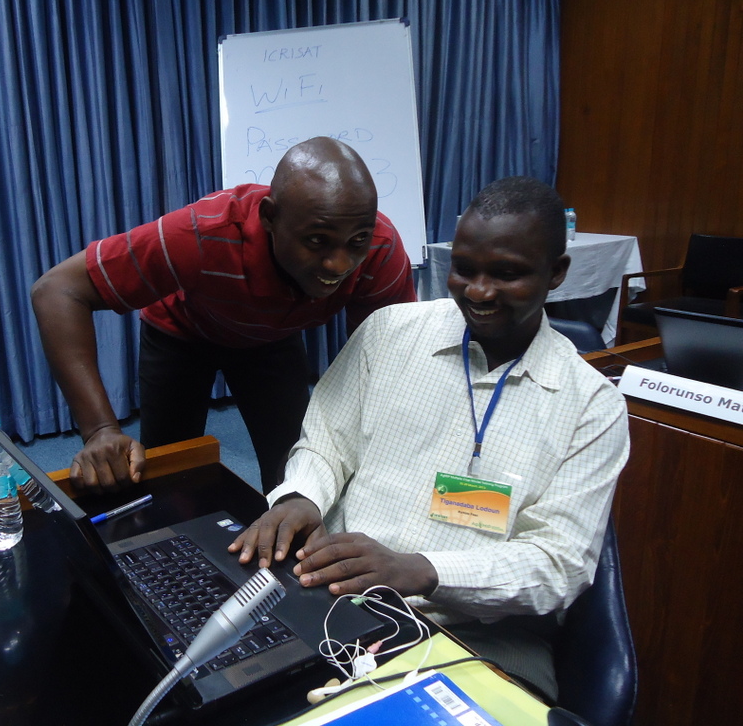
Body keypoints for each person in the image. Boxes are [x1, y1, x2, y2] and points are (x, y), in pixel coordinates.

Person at [229, 176, 630, 702]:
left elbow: (559, 564)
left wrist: (419, 569)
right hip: (338, 603)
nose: (479, 291)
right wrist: (303, 494)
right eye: (464, 269)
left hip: (478, 636)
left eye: (507, 274)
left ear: (556, 273)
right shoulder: (389, 332)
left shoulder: (592, 406)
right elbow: (326, 441)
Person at [31, 137, 416, 494]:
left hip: (272, 339)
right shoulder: (202, 233)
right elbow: (57, 290)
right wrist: (100, 429)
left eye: (357, 241)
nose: (340, 263)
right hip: (182, 334)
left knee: (296, 469)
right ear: (269, 217)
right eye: (317, 240)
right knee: (170, 471)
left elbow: (388, 361)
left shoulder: (379, 248)